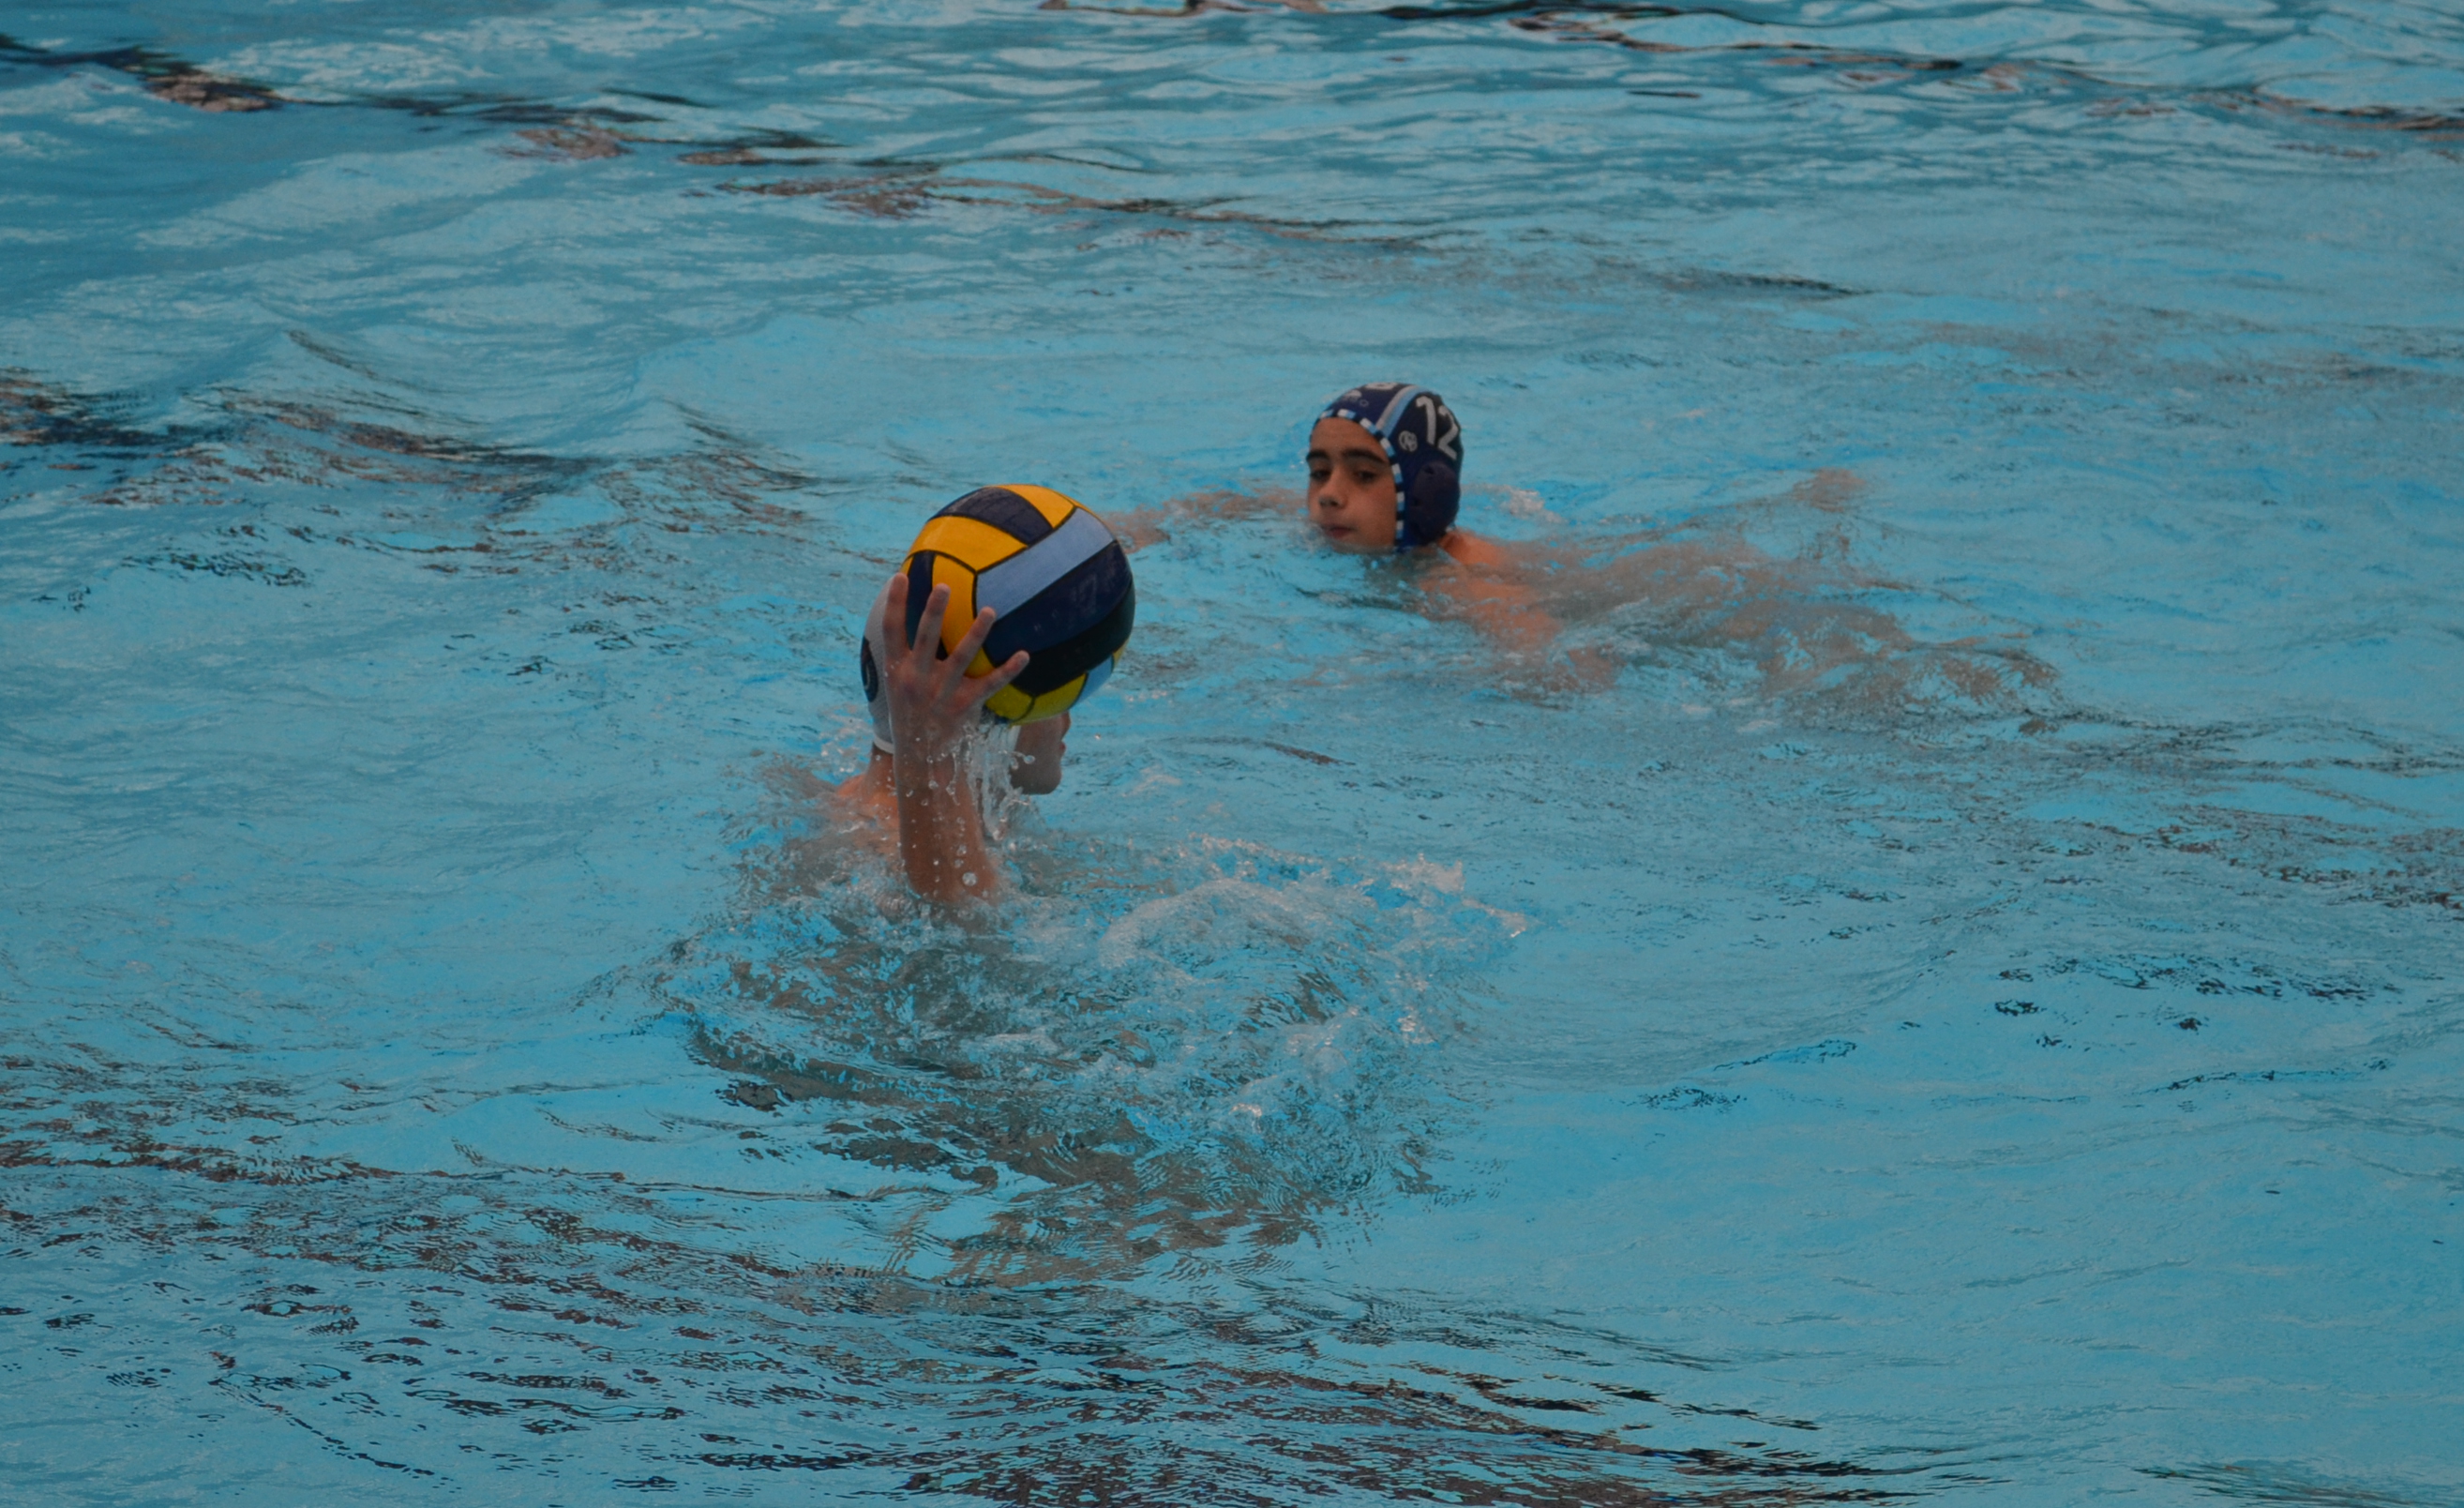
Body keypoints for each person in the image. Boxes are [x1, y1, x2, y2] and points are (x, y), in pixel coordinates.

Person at [833, 571, 1073, 905]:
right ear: (979, 712)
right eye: (1057, 695)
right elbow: (964, 915)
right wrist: (930, 748)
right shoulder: (890, 851)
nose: (1068, 717)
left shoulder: (857, 801)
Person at [1306, 382, 1575, 662]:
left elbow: (1561, 664)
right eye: (1320, 473)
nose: (1328, 495)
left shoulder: (1467, 587)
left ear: (1425, 491)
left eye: (1364, 475)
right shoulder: (1335, 523)